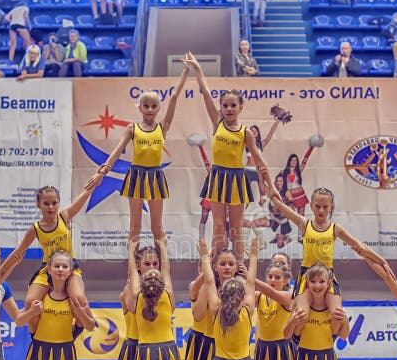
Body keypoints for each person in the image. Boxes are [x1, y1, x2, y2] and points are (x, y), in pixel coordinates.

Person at [86, 62, 190, 246]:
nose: (150, 109)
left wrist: (186, 71)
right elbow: (117, 151)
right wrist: (101, 172)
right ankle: (132, 270)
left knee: (157, 228)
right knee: (135, 227)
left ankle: (162, 270)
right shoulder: (131, 129)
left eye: (153, 106)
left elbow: (174, 97)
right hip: (136, 176)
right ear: (140, 108)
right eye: (146, 106)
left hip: (156, 176)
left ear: (158, 109)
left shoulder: (162, 127)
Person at [187, 51, 275, 260]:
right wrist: (198, 69)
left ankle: (241, 266)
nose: (228, 108)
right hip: (217, 177)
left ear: (241, 108)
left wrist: (271, 187)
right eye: (225, 105)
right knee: (218, 224)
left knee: (235, 227)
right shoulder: (217, 123)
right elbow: (206, 94)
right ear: (221, 107)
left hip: (237, 179)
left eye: (233, 105)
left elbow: (260, 162)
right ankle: (214, 263)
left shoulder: (245, 133)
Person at [269, 187, 392, 326]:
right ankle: (298, 345)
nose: (321, 210)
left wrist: (382, 261)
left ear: (331, 207)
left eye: (325, 207)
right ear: (311, 206)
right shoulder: (304, 224)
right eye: (317, 206)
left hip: (326, 277)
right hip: (306, 276)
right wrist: (271, 193)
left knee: (337, 315)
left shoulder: (335, 229)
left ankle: (328, 343)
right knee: (300, 315)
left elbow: (359, 245)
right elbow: (283, 207)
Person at [0, 183, 97, 334]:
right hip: (47, 269)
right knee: (30, 302)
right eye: (46, 203)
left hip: (70, 267)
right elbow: (19, 251)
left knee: (78, 298)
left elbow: (85, 192)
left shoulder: (64, 217)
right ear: (38, 205)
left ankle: (73, 334)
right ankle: (37, 338)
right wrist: (0, 273)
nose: (51, 207)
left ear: (58, 203)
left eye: (54, 203)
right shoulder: (35, 229)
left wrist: (101, 173)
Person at [246, 118, 282, 204]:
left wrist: (277, 121)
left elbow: (270, 134)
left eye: (255, 131)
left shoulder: (261, 144)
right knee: (245, 193)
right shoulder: (246, 144)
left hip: (258, 170)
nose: (253, 132)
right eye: (251, 131)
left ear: (258, 133)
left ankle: (263, 207)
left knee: (263, 194)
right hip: (248, 169)